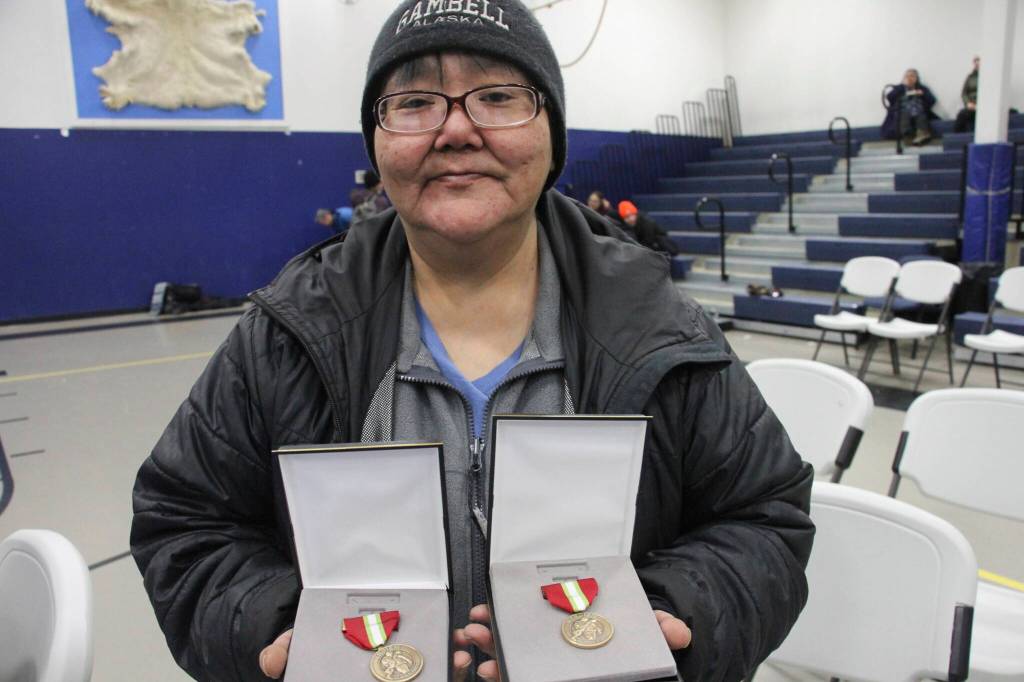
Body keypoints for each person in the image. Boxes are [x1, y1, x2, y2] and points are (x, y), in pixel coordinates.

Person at [130, 2, 814, 681]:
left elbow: (762, 517)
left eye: (497, 96)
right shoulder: (289, 333)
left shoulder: (660, 327)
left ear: (553, 134)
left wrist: (674, 613)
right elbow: (185, 521)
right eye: (415, 102)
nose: (456, 130)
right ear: (376, 138)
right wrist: (274, 629)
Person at [314, 170, 391, 233]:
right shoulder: (380, 201)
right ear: (376, 184)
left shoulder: (349, 206)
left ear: (327, 216)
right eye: (380, 182)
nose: (382, 185)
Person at [882, 68, 938, 145]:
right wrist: (902, 86)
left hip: (918, 109)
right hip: (902, 111)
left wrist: (923, 94)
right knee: (905, 114)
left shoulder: (922, 88)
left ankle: (922, 134)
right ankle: (907, 136)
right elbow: (890, 97)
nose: (909, 78)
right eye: (907, 76)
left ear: (916, 78)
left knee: (919, 112)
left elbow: (932, 100)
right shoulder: (899, 88)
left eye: (912, 76)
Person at [954, 56, 980, 133]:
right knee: (962, 114)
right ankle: (958, 138)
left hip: (985, 107)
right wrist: (968, 103)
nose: (977, 66)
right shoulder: (970, 77)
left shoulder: (991, 76)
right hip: (972, 106)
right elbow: (964, 93)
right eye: (976, 64)